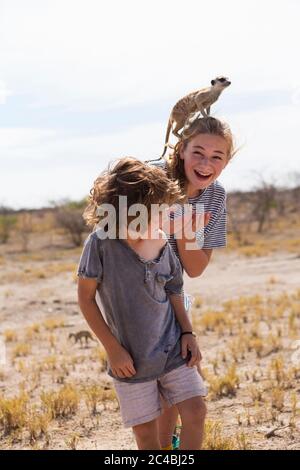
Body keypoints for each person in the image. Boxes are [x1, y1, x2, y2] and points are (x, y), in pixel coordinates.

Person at [77, 157, 207, 450]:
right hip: (131, 362)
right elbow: (85, 298)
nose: (165, 216)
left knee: (196, 411)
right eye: (158, 210)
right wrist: (113, 349)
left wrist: (188, 333)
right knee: (147, 435)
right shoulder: (100, 244)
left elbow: (175, 288)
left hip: (174, 349)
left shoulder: (161, 241)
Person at [147, 116, 237, 450]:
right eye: (198, 152)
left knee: (175, 378)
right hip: (133, 291)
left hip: (174, 293)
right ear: (181, 149)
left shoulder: (214, 197)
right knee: (157, 385)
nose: (206, 163)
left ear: (227, 161)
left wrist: (184, 226)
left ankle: (167, 447)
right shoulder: (151, 179)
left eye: (217, 156)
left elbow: (196, 268)